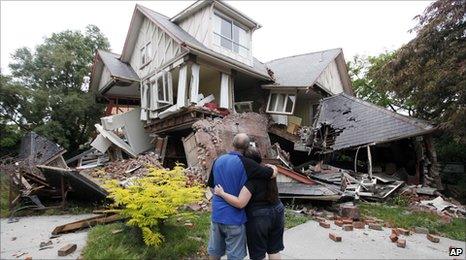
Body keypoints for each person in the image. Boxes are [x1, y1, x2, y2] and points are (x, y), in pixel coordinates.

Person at [207, 133, 277, 260]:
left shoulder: (217, 160)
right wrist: (274, 168)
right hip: (234, 218)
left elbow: (211, 186)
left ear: (232, 144)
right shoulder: (247, 163)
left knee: (215, 252)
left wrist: (220, 197)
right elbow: (270, 173)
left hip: (217, 214)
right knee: (235, 256)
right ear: (247, 147)